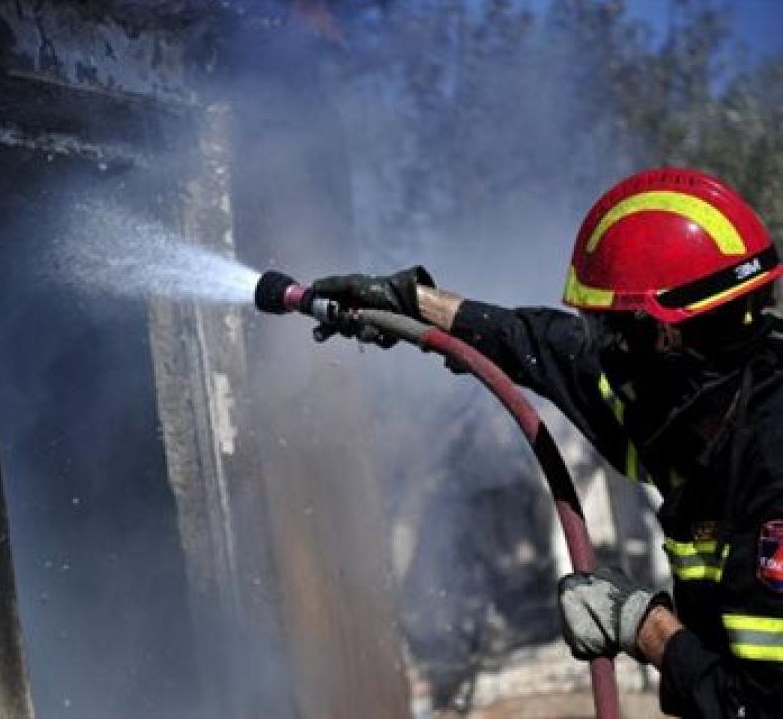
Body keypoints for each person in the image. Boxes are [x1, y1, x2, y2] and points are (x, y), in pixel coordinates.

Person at [311, 167, 783, 718]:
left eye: (611, 333)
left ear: (665, 336)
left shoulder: (770, 474)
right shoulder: (704, 404)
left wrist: (643, 623)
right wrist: (415, 307)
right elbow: (544, 347)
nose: (601, 352)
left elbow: (755, 708)